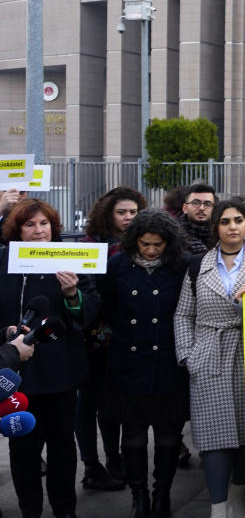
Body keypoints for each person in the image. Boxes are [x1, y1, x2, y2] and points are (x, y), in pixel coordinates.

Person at [0, 199, 100, 518]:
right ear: (18, 230)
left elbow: (87, 315)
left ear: (53, 228)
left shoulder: (70, 261)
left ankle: (65, 510)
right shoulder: (4, 261)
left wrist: (72, 293)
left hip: (60, 371)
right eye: (30, 225)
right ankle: (30, 513)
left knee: (61, 445)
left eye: (44, 224)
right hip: (17, 375)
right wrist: (7, 335)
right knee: (22, 447)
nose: (38, 230)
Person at [174, 199, 245, 518]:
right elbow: (183, 314)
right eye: (225, 221)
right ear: (215, 227)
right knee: (213, 439)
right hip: (209, 354)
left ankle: (236, 497)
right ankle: (216, 517)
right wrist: (188, 355)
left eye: (238, 221)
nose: (232, 227)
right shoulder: (198, 265)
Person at [97, 209, 190, 518]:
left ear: (169, 243)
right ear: (134, 239)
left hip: (167, 361)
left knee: (168, 434)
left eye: (158, 244)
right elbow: (103, 312)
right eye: (145, 243)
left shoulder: (181, 266)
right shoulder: (117, 265)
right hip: (128, 361)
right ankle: (139, 497)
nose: (151, 250)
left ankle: (161, 494)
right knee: (133, 433)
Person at [78, 186, 147, 492]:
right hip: (92, 335)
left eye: (134, 212)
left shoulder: (141, 243)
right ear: (108, 214)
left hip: (125, 333)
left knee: (112, 402)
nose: (129, 218)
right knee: (89, 402)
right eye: (122, 212)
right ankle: (91, 464)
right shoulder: (91, 244)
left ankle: (113, 457)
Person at [180, 183, 218, 255]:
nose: (201, 208)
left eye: (207, 204)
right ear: (185, 208)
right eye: (196, 203)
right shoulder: (174, 237)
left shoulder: (222, 236)